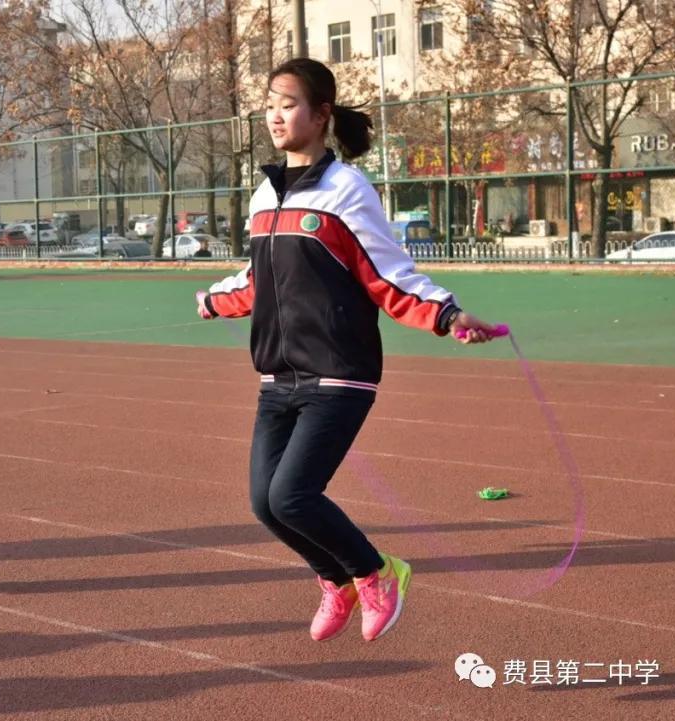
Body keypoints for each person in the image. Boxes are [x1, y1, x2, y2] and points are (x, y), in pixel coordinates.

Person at [194, 58, 500, 643]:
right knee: (265, 503)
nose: (276, 115)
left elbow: (389, 275)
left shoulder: (346, 191)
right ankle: (335, 580)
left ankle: (378, 573)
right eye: (270, 104)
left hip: (338, 374)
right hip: (278, 376)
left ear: (322, 114)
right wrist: (216, 299)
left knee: (293, 494)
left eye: (288, 103)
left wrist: (449, 314)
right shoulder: (265, 193)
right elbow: (261, 277)